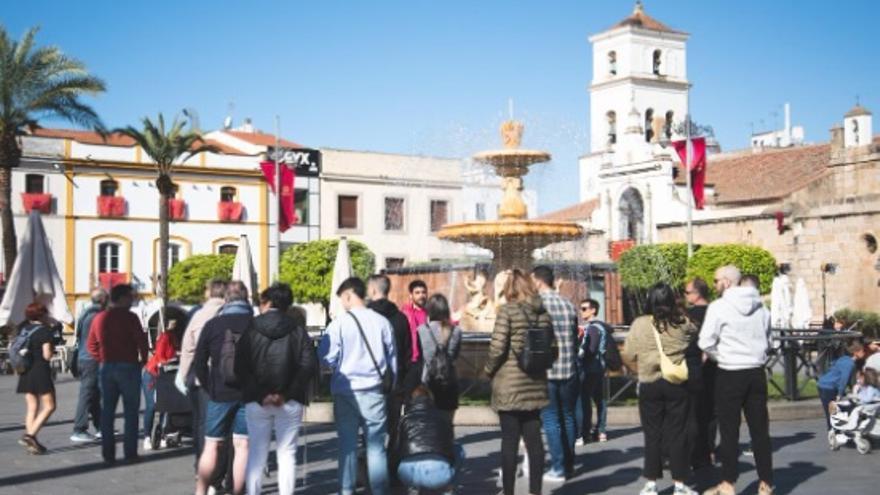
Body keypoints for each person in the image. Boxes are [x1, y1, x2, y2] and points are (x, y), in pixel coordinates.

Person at [235, 282, 316, 495]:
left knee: (256, 453)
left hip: (256, 400)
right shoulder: (298, 330)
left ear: (267, 302)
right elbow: (308, 365)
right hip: (289, 401)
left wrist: (261, 394)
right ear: (288, 304)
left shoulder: (251, 328)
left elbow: (240, 367)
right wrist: (286, 394)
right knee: (287, 454)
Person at [699, 265, 774, 495]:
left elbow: (705, 342)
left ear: (727, 282)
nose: (713, 285)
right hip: (755, 371)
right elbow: (769, 341)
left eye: (715, 280)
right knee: (760, 430)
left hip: (729, 372)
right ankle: (766, 483)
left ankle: (728, 483)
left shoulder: (718, 307)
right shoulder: (762, 308)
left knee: (729, 431)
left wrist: (722, 356)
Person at [319, 277, 397, 495]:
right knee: (376, 447)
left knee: (347, 446)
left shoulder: (338, 325)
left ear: (348, 295)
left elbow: (326, 359)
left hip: (346, 392)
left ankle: (347, 490)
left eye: (342, 299)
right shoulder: (382, 322)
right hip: (374, 391)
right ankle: (380, 491)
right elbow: (393, 361)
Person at [622, 283, 698, 495]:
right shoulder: (682, 323)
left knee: (652, 434)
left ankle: (651, 484)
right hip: (676, 382)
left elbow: (628, 354)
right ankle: (680, 485)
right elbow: (694, 331)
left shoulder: (639, 324)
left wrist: (638, 369)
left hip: (649, 383)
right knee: (677, 434)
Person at [484, 268, 552, 495]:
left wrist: (488, 370)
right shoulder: (543, 313)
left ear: (509, 288)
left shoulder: (508, 311)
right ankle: (535, 491)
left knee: (510, 441)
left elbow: (497, 348)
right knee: (534, 442)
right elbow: (554, 350)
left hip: (510, 384)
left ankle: (510, 491)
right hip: (535, 384)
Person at [192, 282, 253, 495]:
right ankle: (237, 492)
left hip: (219, 393)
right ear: (247, 298)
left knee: (212, 446)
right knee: (243, 446)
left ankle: (201, 491)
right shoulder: (256, 324)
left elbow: (198, 362)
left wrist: (210, 387)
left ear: (226, 299)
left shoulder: (213, 325)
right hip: (248, 395)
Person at [87, 284, 150, 465]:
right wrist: (143, 360)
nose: (132, 300)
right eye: (130, 297)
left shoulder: (99, 318)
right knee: (131, 412)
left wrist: (102, 358)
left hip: (107, 368)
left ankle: (108, 453)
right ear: (122, 298)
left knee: (107, 411)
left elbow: (91, 345)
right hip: (129, 367)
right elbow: (141, 341)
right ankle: (130, 453)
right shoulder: (130, 318)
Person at [530, 266, 578, 482]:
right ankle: (569, 465)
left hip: (547, 372)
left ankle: (557, 468)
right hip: (569, 369)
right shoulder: (568, 304)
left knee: (550, 419)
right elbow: (575, 339)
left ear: (538, 282)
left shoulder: (536, 305)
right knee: (567, 417)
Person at [176, 279, 228, 476]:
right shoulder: (227, 314)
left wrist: (182, 375)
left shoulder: (198, 315)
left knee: (200, 423)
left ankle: (200, 464)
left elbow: (187, 348)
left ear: (210, 293)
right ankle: (217, 467)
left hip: (199, 378)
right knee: (219, 426)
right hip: (222, 378)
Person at [367, 274, 414, 483]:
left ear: (374, 291)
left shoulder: (366, 317)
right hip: (395, 383)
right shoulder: (401, 318)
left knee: (371, 433)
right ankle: (392, 472)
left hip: (369, 383)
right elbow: (407, 352)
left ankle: (372, 476)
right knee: (393, 432)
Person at [394, 385, 465, 494]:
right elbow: (450, 444)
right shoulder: (442, 417)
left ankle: (413, 489)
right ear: (431, 400)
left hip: (409, 474)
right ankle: (448, 488)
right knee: (459, 448)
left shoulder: (404, 420)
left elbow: (396, 447)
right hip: (439, 474)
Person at [16, 303, 57, 455]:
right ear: (40, 315)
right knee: (50, 406)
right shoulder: (45, 331)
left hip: (25, 371)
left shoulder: (23, 329)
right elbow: (47, 355)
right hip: (40, 371)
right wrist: (52, 350)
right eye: (45, 313)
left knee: (32, 407)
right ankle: (30, 435)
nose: (47, 315)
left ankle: (31, 443)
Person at [684, 277, 715, 470]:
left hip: (693, 367)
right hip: (714, 366)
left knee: (694, 412)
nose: (685, 296)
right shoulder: (716, 311)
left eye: (687, 292)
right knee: (711, 413)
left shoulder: (688, 315)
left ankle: (695, 452)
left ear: (697, 294)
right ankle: (709, 450)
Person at [417, 294, 463, 421]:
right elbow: (456, 355)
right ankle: (448, 440)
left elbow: (419, 356)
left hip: (428, 379)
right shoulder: (456, 331)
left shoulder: (421, 330)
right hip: (450, 378)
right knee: (447, 421)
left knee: (429, 420)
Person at [70, 289, 108, 443]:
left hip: (83, 357)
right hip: (92, 359)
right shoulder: (96, 316)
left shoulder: (85, 313)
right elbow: (101, 339)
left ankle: (101, 427)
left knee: (94, 394)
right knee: (87, 393)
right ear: (103, 300)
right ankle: (79, 429)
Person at [141, 318, 182, 451]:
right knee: (152, 406)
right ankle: (147, 437)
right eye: (171, 321)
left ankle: (163, 435)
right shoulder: (165, 337)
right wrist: (175, 357)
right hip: (152, 374)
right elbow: (160, 356)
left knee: (165, 405)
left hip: (166, 375)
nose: (174, 323)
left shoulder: (176, 336)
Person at [577, 298, 609, 446]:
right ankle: (601, 430)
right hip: (600, 367)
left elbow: (591, 349)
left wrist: (580, 355)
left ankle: (587, 432)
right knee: (600, 399)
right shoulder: (601, 326)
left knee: (585, 400)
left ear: (593, 310)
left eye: (584, 309)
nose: (581, 311)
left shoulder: (593, 328)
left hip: (591, 368)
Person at [817, 341, 866, 430]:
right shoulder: (849, 364)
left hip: (823, 384)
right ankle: (833, 431)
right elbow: (844, 379)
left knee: (830, 411)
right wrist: (840, 394)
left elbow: (833, 366)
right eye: (862, 351)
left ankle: (833, 430)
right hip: (830, 387)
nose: (864, 353)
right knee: (834, 412)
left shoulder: (844, 358)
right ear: (856, 352)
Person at [401, 279, 429, 364]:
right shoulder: (405, 312)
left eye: (423, 292)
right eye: (417, 293)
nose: (421, 295)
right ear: (410, 295)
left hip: (426, 359)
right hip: (410, 359)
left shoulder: (430, 312)